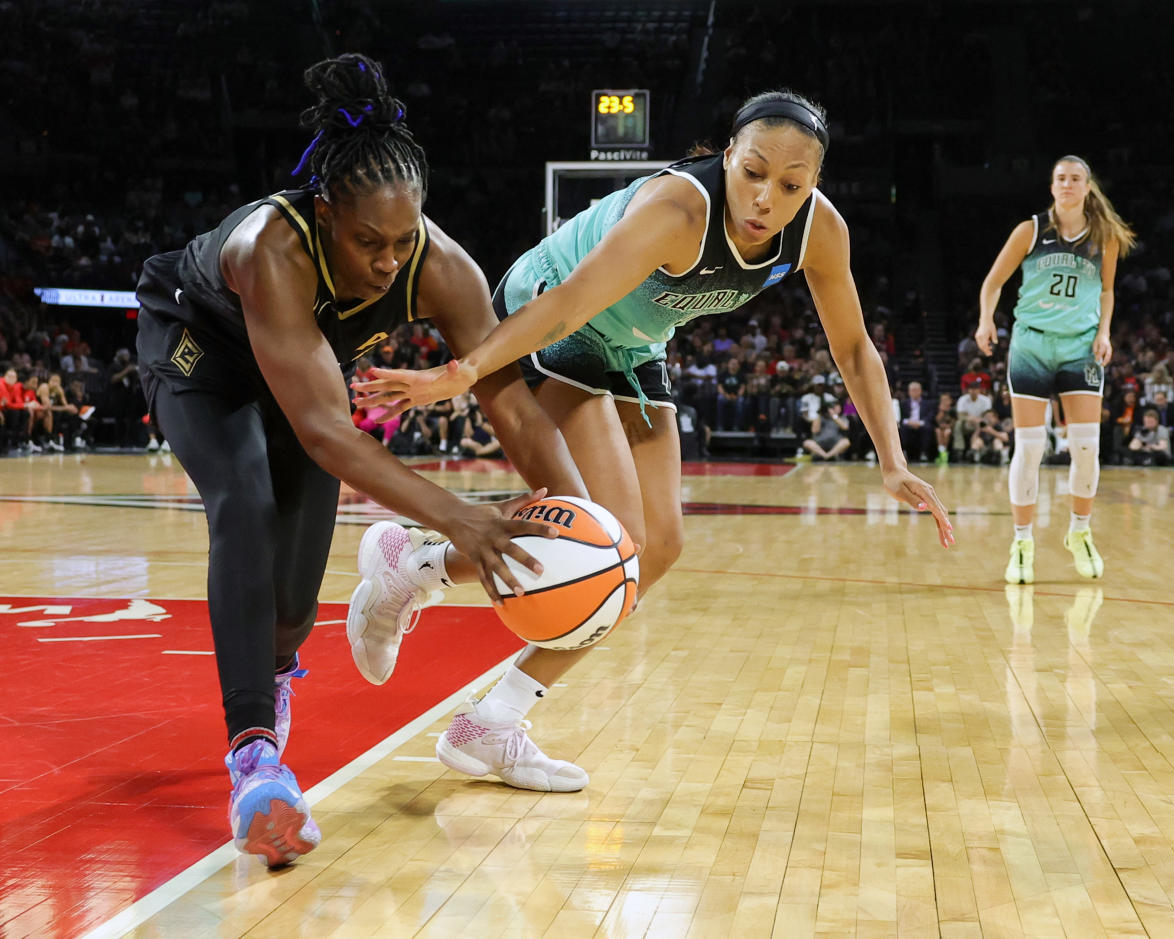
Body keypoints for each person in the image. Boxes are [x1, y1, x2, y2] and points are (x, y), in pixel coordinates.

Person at [352, 90, 954, 787]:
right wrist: (464, 371)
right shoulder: (674, 213)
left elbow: (852, 348)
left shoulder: (818, 231)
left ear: (811, 185)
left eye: (790, 184)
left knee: (657, 548)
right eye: (752, 170)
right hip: (553, 313)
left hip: (635, 345)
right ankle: (420, 574)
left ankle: (480, 704)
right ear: (726, 155)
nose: (765, 196)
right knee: (604, 539)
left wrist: (891, 460)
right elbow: (569, 302)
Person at [134, 54, 584, 867]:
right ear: (324, 210)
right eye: (367, 240)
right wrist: (458, 516)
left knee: (293, 608)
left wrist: (581, 514)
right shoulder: (270, 247)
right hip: (201, 356)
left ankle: (276, 678)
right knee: (245, 502)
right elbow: (325, 433)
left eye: (402, 239)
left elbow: (510, 402)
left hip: (298, 379)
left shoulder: (442, 267)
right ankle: (253, 761)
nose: (387, 260)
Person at [976, 155, 1136, 584]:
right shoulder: (1030, 230)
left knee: (1086, 448)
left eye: (1075, 178)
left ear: (1087, 187)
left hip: (1080, 347)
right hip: (1031, 343)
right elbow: (993, 281)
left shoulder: (1105, 237)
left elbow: (1106, 291)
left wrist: (1105, 332)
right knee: (1030, 449)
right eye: (1061, 178)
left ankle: (1079, 532)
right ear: (1052, 187)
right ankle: (1022, 542)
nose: (1067, 184)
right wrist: (986, 319)